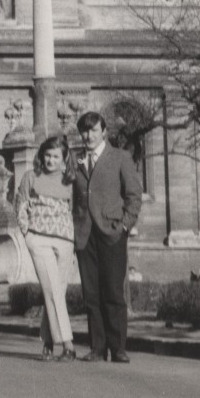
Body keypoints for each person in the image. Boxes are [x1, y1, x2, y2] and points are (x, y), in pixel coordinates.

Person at [73, 111, 142, 363]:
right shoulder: (75, 160)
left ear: (104, 132)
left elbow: (134, 195)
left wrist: (124, 226)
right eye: (84, 130)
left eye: (93, 130)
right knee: (91, 293)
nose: (88, 135)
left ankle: (118, 347)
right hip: (85, 234)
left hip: (112, 232)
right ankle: (97, 348)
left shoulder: (120, 157)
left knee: (113, 291)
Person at [16, 135, 77, 362]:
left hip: (65, 241)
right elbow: (20, 206)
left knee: (56, 292)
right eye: (47, 155)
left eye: (56, 157)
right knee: (52, 290)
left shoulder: (71, 179)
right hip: (39, 239)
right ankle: (68, 345)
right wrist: (28, 234)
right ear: (41, 156)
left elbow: (74, 210)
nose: (50, 160)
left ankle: (48, 341)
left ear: (64, 158)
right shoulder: (31, 177)